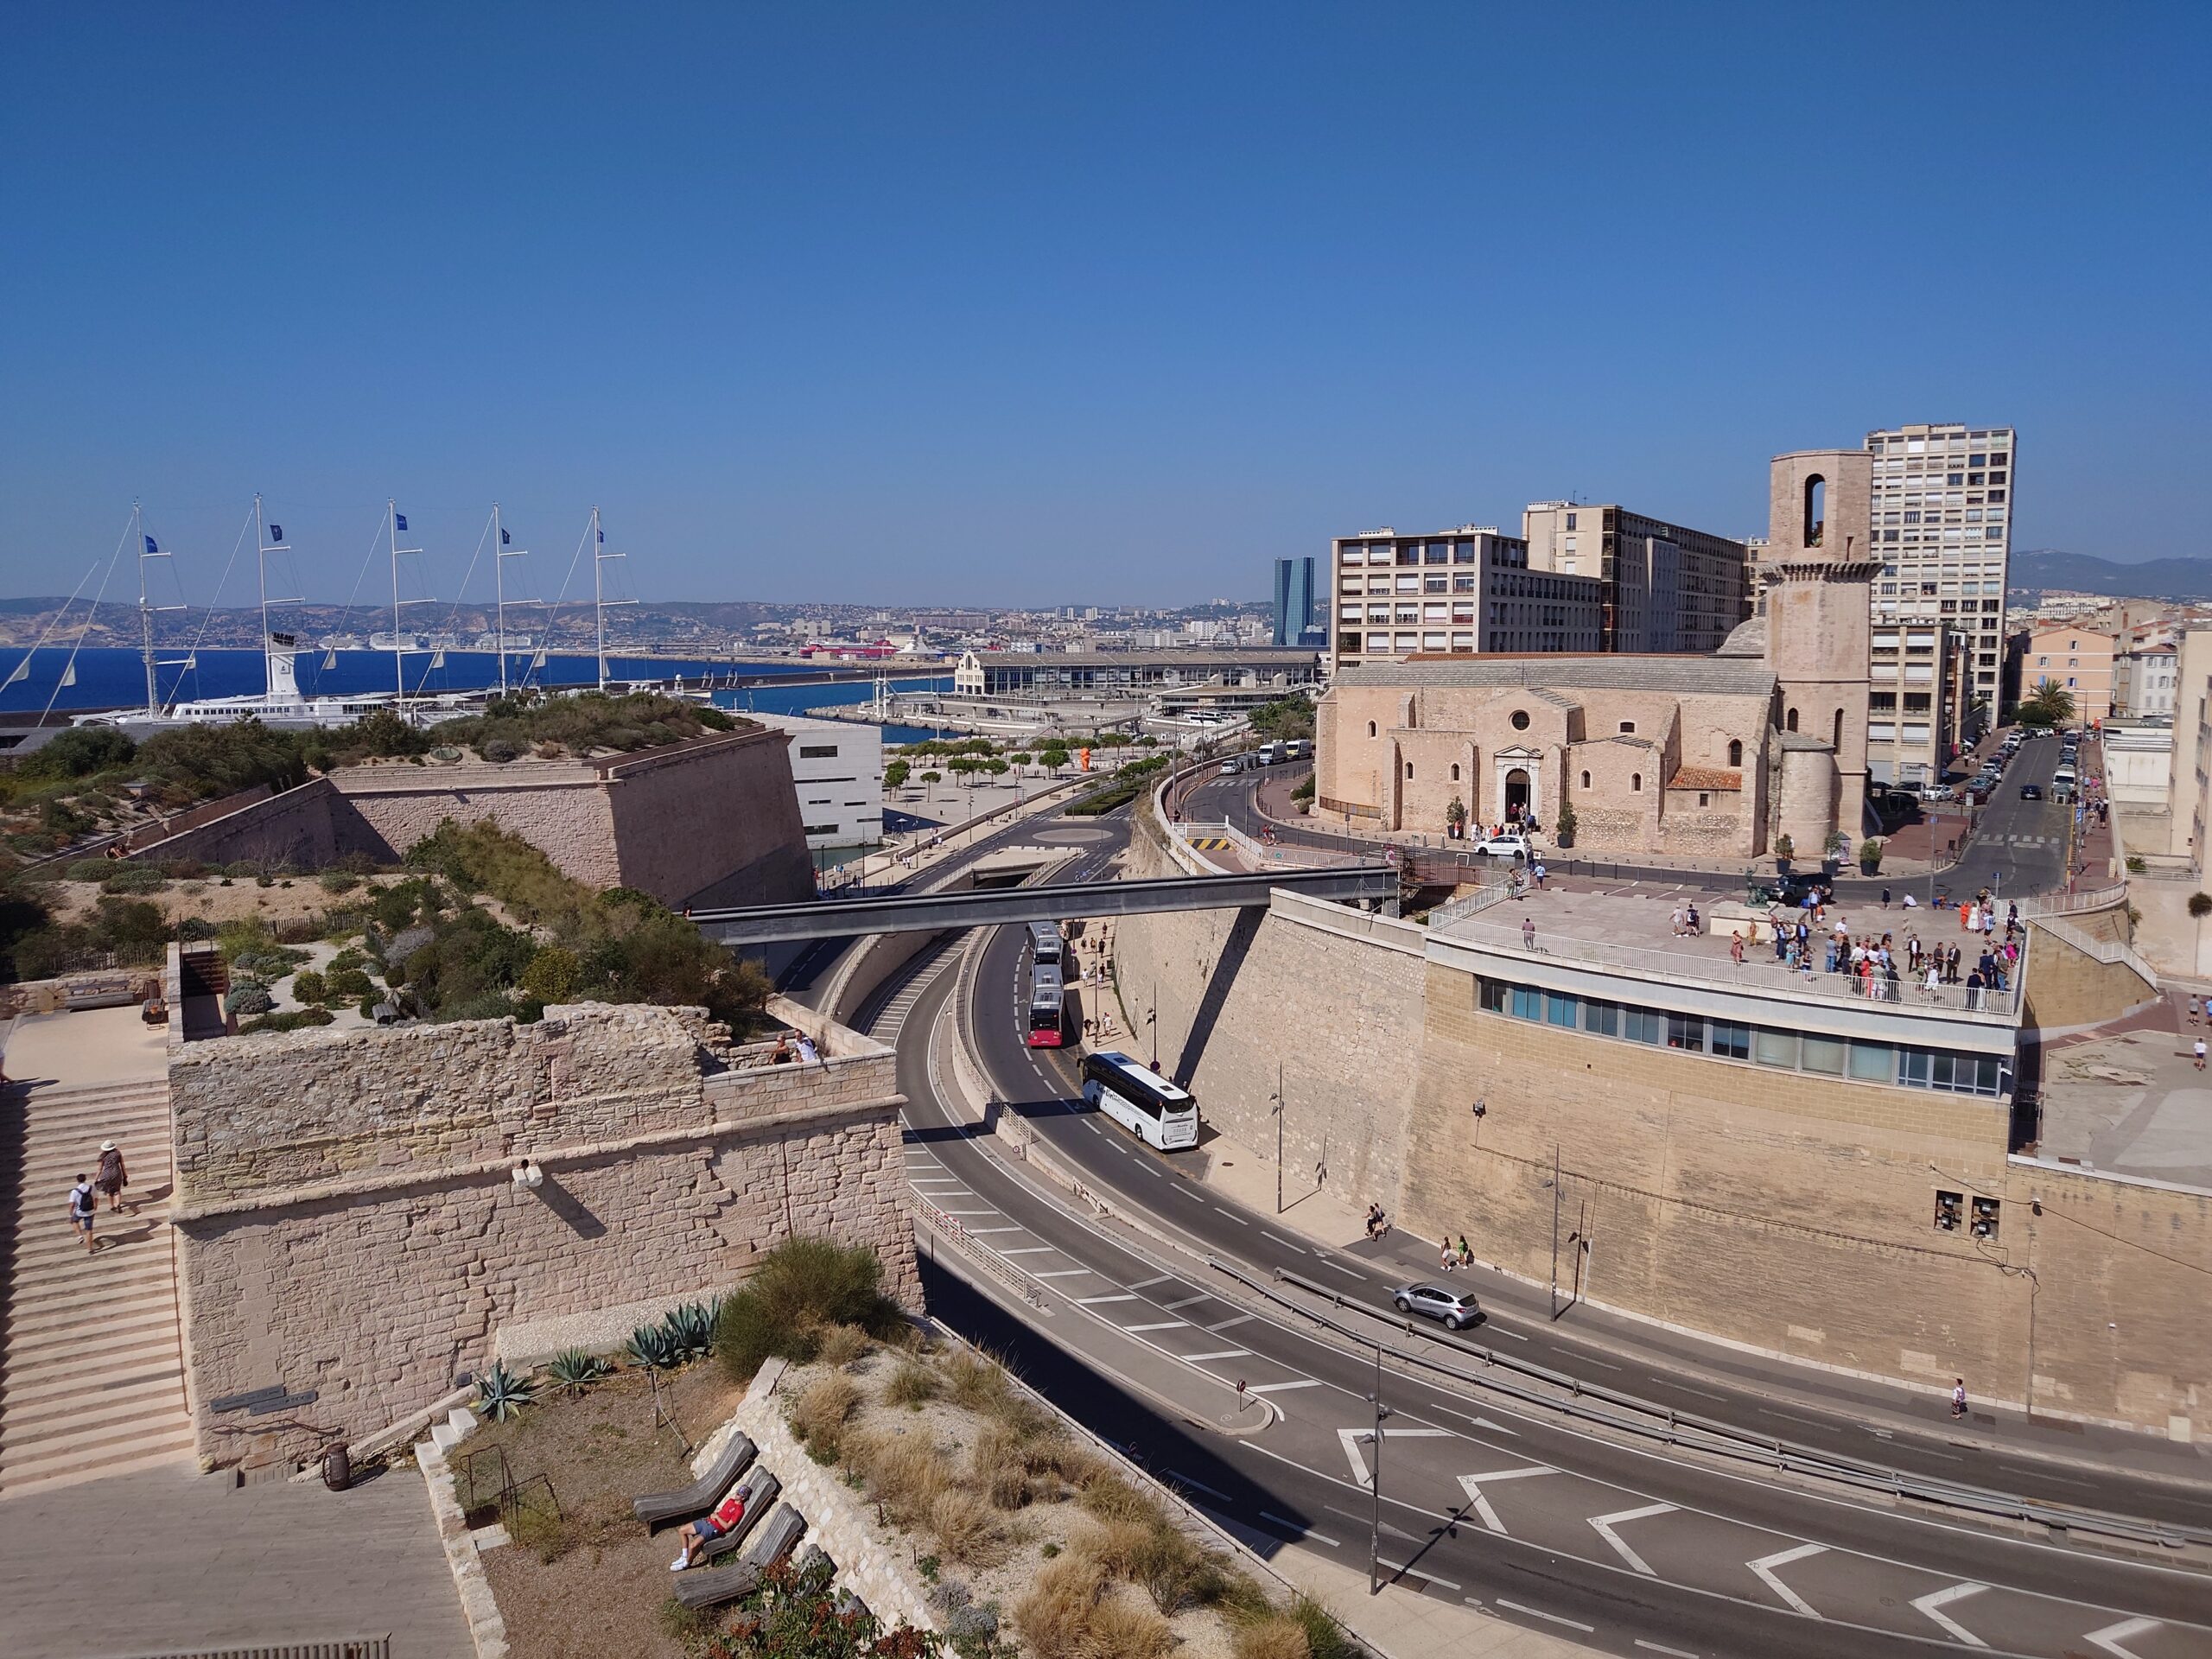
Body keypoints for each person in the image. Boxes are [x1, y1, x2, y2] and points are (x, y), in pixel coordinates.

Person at [672, 1483, 754, 1570]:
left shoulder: (739, 1511)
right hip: (708, 1521)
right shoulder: (730, 1501)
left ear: (743, 1498)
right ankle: (684, 1556)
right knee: (682, 1530)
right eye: (737, 1492)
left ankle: (685, 1564)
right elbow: (722, 1513)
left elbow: (727, 1526)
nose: (736, 1494)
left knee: (693, 1546)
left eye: (738, 1494)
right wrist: (713, 1515)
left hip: (714, 1529)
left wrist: (717, 1517)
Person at [95, 1140, 128, 1214]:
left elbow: (100, 1169)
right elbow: (122, 1165)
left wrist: (96, 1178)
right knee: (117, 1190)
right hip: (117, 1173)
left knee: (109, 1191)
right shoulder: (118, 1153)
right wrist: (125, 1175)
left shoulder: (103, 1155)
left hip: (106, 1174)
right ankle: (118, 1203)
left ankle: (112, 1206)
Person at [69, 1173, 98, 1253]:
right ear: (85, 1179)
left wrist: (70, 1214)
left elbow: (72, 1205)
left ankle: (80, 1236)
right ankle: (90, 1249)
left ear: (77, 1180)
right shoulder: (92, 1188)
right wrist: (95, 1207)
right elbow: (96, 1198)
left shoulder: (75, 1191)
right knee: (89, 1231)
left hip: (80, 1211)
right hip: (90, 1212)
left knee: (74, 1221)